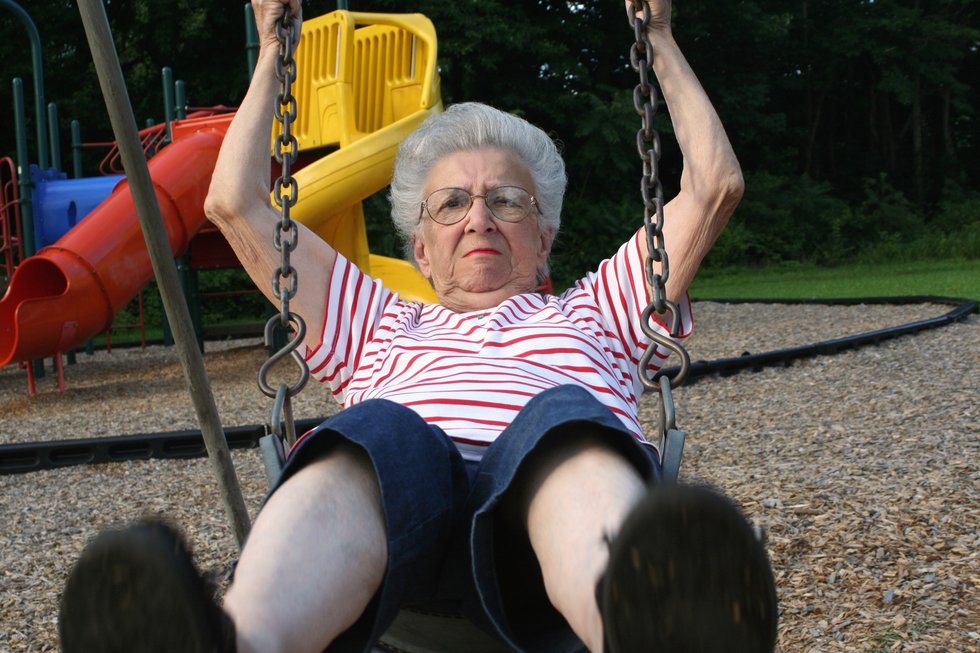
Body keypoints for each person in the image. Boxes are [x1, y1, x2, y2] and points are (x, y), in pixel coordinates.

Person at [58, 0, 778, 652]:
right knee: (376, 434)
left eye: (507, 199)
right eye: (452, 203)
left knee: (564, 423)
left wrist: (657, 37)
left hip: (539, 556)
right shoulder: (374, 319)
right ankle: (239, 642)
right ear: (422, 252)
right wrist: (277, 51)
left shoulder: (597, 310)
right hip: (392, 545)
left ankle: (644, 628)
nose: (480, 216)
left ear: (545, 238)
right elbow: (233, 203)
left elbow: (714, 185)